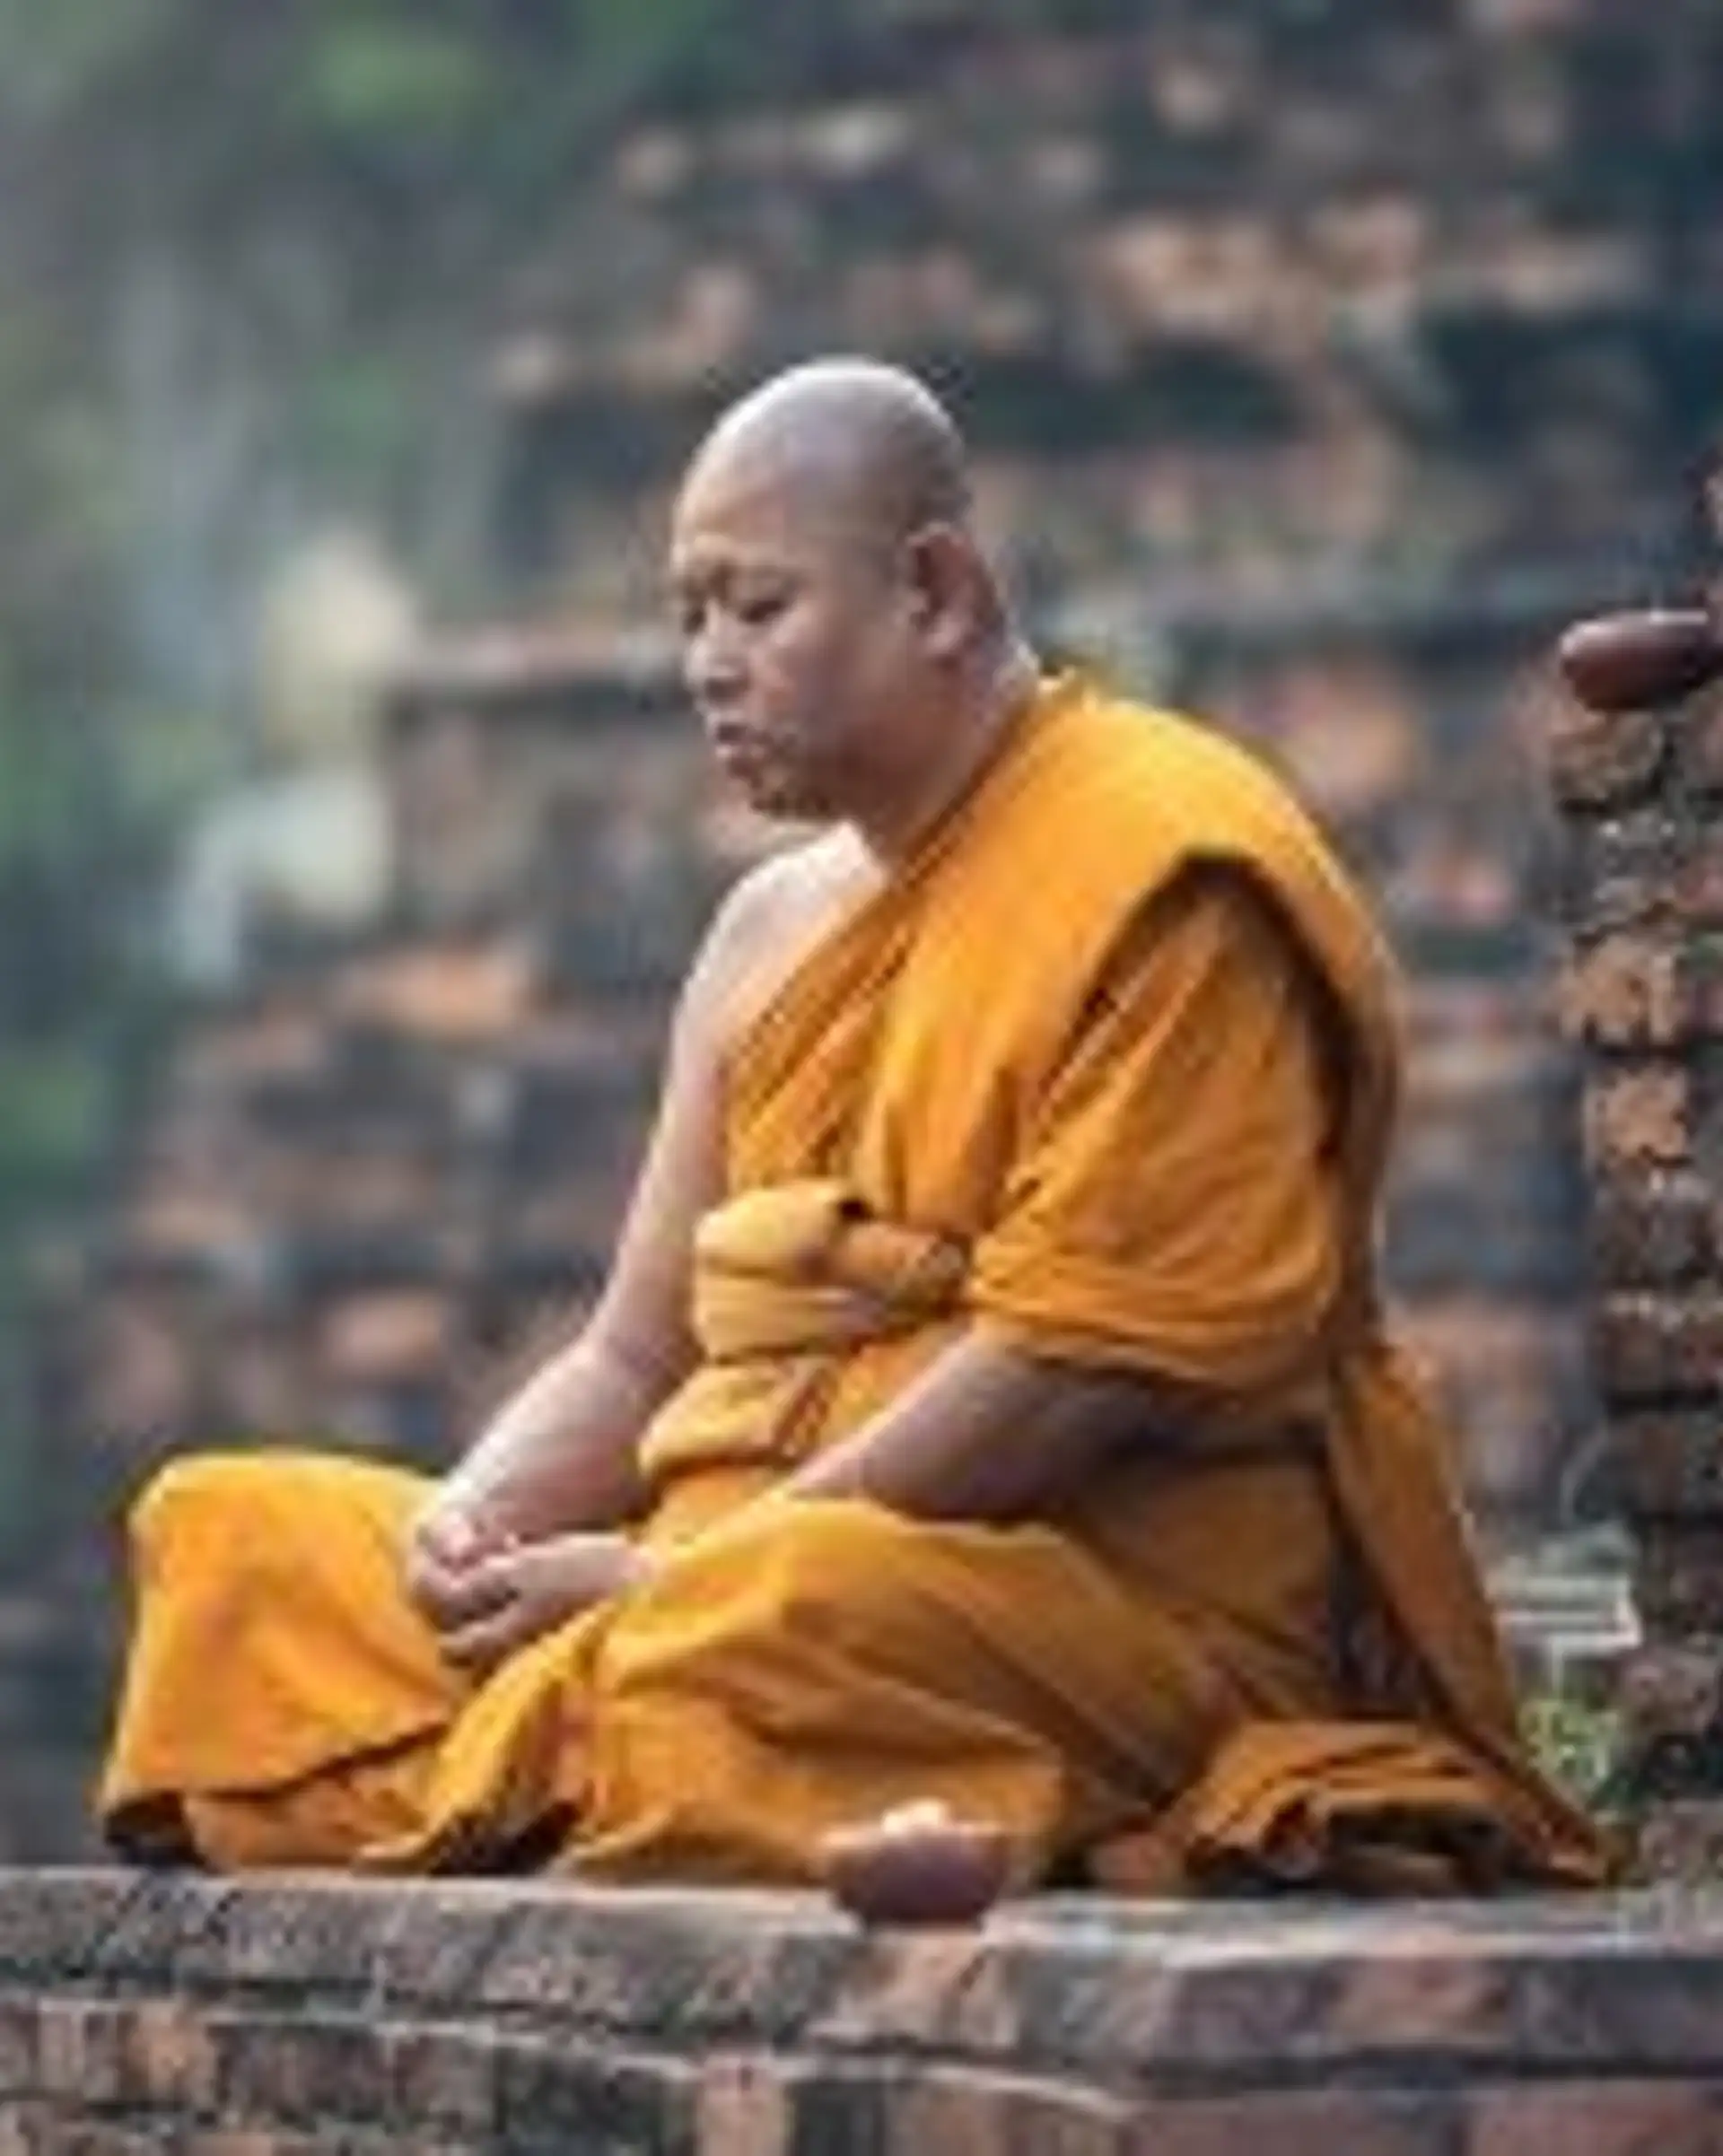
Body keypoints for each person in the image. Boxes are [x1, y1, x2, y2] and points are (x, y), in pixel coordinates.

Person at [99, 358, 1606, 1890]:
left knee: (770, 1627)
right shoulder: (766, 930)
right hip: (719, 1565)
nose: (706, 663)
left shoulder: (1167, 866)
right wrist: (475, 1526)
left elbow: (1071, 1372)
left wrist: (673, 1577)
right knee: (233, 1537)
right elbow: (635, 1353)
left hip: (1075, 1595)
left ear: (938, 593)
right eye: (688, 615)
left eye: (758, 609)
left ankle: (556, 1747)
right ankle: (567, 1743)